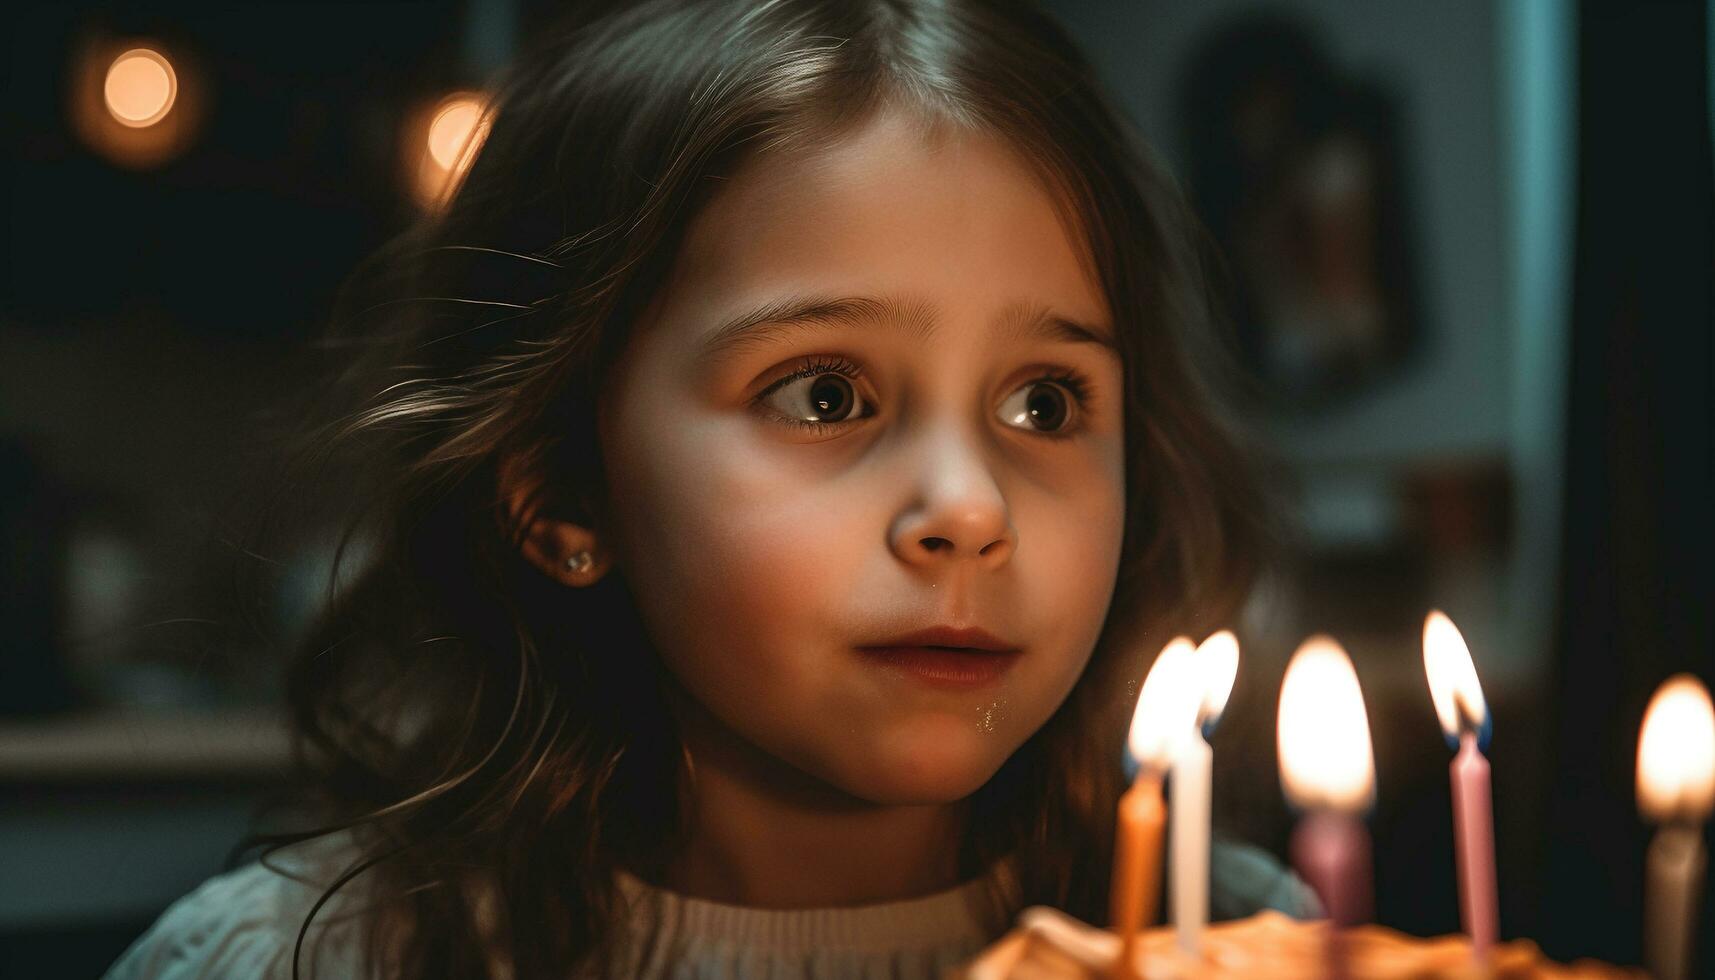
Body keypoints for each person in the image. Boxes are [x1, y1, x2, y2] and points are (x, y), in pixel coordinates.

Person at [105, 1, 1316, 977]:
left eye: (1043, 403)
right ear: (559, 491)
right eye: (826, 395)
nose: (970, 508)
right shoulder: (303, 958)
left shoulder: (1248, 950)